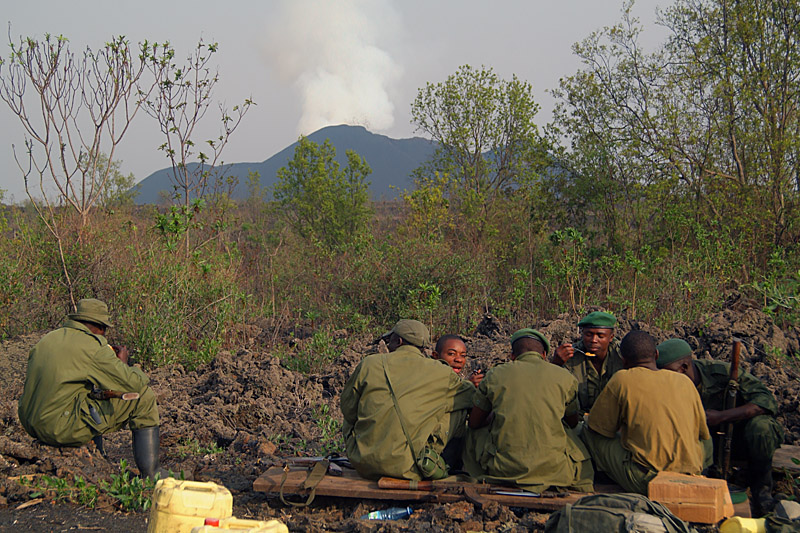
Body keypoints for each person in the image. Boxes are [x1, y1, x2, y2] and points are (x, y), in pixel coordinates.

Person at [18, 299, 165, 479]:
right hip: (59, 428)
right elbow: (133, 383)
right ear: (97, 326)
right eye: (104, 329)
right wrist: (124, 363)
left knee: (89, 397)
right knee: (144, 397)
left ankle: (99, 457)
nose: (104, 335)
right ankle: (152, 473)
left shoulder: (48, 339)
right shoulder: (92, 347)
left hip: (32, 422)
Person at [657, 338, 784, 515]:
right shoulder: (667, 386)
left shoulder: (720, 373)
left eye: (667, 373)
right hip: (704, 443)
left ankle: (761, 493)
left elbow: (765, 401)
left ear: (684, 368)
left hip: (742, 436)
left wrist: (722, 416)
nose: (663, 379)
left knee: (762, 429)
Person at [340, 319, 475, 481]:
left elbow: (348, 410)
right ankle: (440, 462)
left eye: (390, 341)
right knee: (458, 408)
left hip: (363, 463)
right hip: (409, 468)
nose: (388, 345)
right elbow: (474, 399)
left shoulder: (369, 363)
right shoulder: (442, 372)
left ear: (399, 341)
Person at [463, 328, 594, 491]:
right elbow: (573, 422)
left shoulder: (495, 374)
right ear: (544, 355)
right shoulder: (565, 377)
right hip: (555, 471)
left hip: (503, 470)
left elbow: (475, 423)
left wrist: (494, 416)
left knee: (472, 432)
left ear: (512, 356)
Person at [582, 331, 710, 494]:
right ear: (656, 355)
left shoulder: (622, 379)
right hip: (690, 475)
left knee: (587, 430)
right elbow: (702, 432)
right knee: (707, 441)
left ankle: (602, 478)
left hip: (648, 480)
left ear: (623, 360)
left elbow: (599, 428)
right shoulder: (685, 381)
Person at [551, 311, 624, 412]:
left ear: (611, 337)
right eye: (588, 335)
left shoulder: (622, 354)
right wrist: (556, 364)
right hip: (581, 418)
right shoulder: (570, 357)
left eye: (600, 336)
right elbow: (553, 389)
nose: (594, 340)